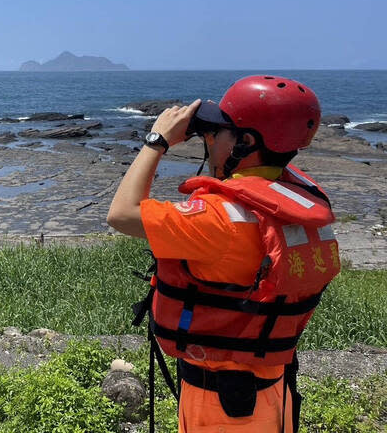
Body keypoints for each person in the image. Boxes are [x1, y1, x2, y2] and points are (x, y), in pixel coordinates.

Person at [106, 75, 340, 433]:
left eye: (216, 132)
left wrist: (158, 140)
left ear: (245, 142)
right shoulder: (302, 202)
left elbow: (120, 214)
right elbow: (267, 172)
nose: (208, 138)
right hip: (276, 390)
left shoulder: (219, 220)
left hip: (219, 406)